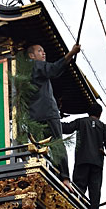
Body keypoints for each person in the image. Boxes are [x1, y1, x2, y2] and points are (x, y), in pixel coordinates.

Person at [26, 42, 81, 186]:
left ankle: (44, 172)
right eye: (39, 51)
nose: (43, 53)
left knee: (39, 147)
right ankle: (65, 178)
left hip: (33, 116)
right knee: (57, 143)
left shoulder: (24, 72)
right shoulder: (37, 65)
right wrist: (71, 53)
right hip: (48, 112)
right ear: (32, 55)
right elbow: (54, 69)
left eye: (43, 50)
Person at [61, 102, 106, 209]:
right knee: (95, 188)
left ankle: (75, 208)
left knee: (79, 186)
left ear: (88, 112)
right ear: (100, 114)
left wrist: (53, 121)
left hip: (82, 160)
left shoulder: (81, 122)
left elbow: (67, 128)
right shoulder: (103, 126)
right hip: (97, 163)